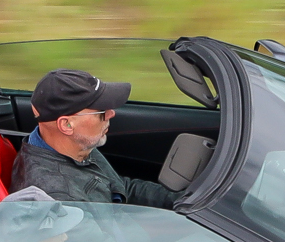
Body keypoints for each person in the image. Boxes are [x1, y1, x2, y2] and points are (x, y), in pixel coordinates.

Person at [12, 68, 180, 208]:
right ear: (67, 125)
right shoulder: (60, 199)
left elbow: (119, 188)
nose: (111, 113)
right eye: (101, 111)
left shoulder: (73, 146)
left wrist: (184, 202)